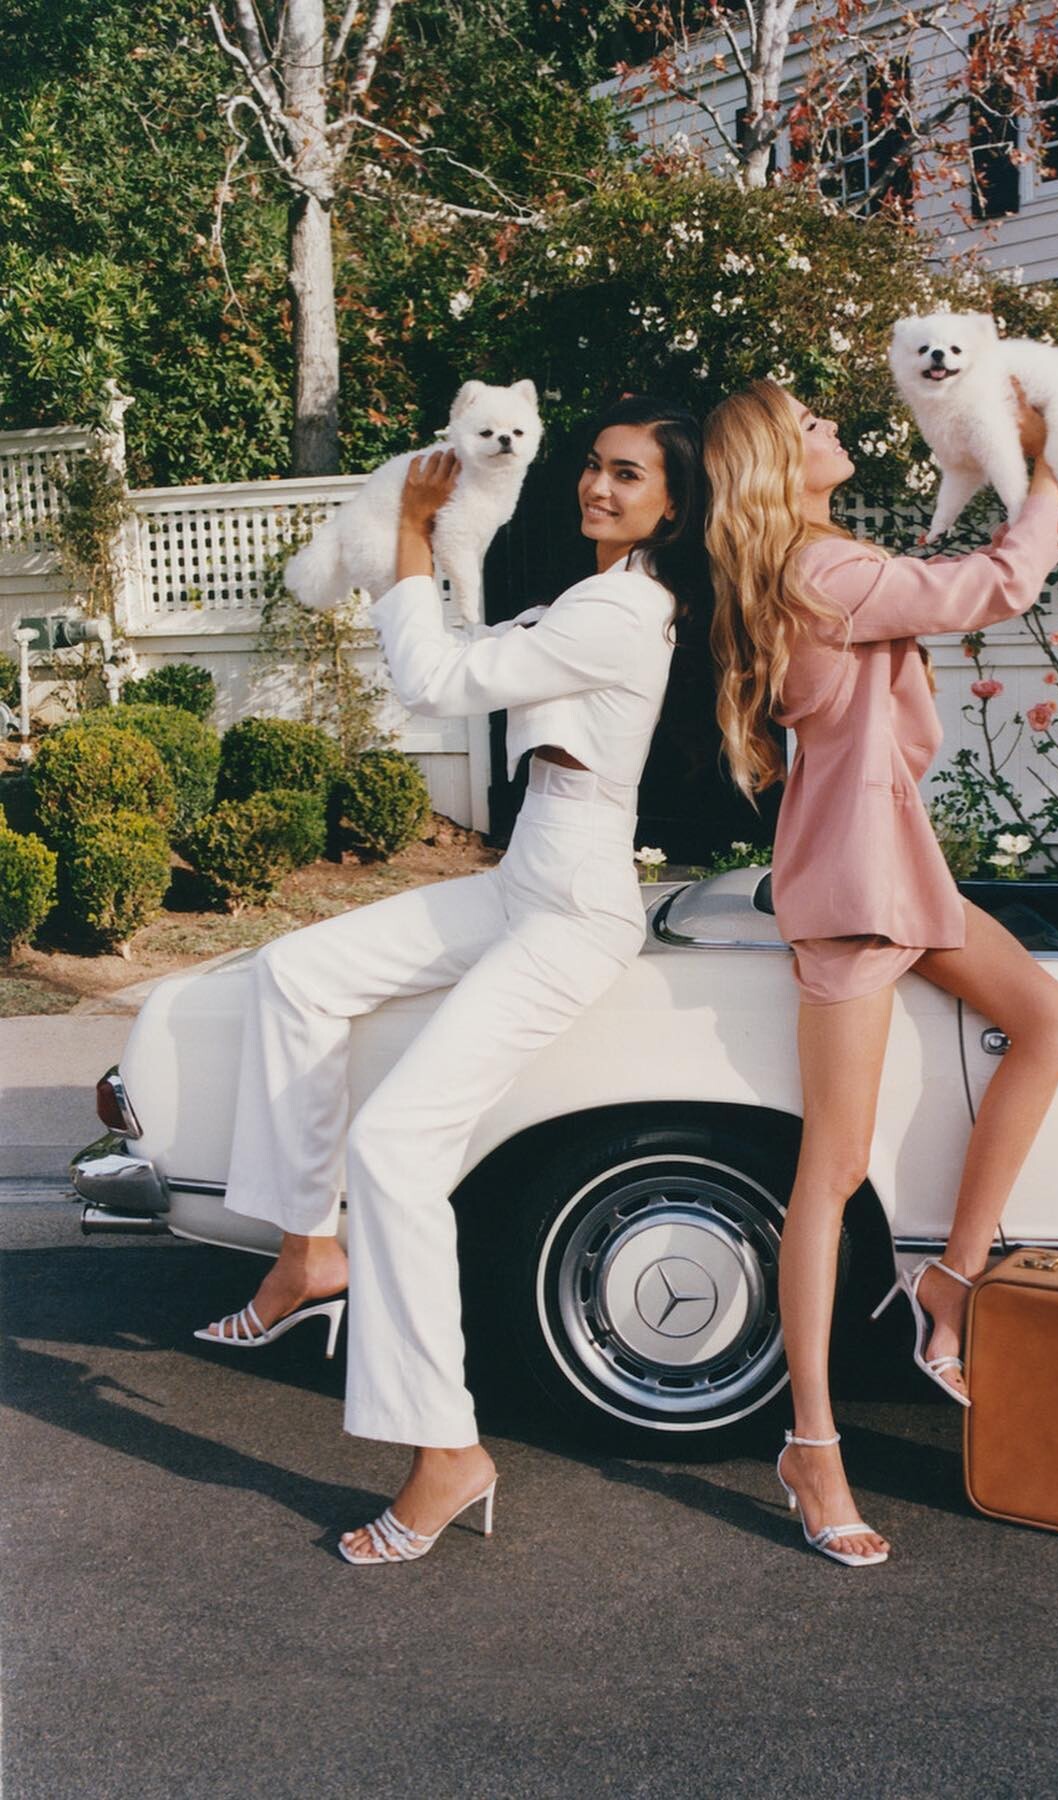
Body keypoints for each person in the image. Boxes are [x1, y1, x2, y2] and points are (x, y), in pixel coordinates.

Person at [196, 395, 711, 1564]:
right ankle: (307, 1250)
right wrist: (430, 553)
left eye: (629, 475)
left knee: (395, 1147)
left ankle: (446, 1451)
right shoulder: (593, 593)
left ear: (673, 506)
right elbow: (467, 652)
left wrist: (409, 533)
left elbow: (433, 680)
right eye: (594, 464)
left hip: (573, 908)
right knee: (297, 970)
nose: (598, 486)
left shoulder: (623, 609)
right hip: (528, 874)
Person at [703, 380, 1058, 1567]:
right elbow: (996, 585)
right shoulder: (825, 571)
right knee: (832, 1172)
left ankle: (951, 1283)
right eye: (809, 423)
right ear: (781, 461)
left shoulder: (816, 565)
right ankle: (812, 1445)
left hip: (890, 862)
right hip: (858, 890)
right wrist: (1053, 461)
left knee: (1049, 1018)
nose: (830, 428)